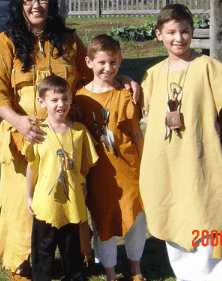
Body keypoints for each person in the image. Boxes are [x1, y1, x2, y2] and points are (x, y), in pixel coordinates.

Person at [0, 0, 140, 280]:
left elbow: (89, 76)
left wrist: (117, 79)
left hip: (66, 137)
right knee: (24, 200)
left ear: (50, 3)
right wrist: (18, 122)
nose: (35, 5)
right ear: (20, 6)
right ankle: (23, 261)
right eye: (28, 0)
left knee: (68, 194)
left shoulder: (68, 41)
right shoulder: (4, 43)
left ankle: (73, 258)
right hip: (23, 138)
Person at [140, 4, 222, 281]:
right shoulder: (152, 74)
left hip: (202, 161)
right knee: (174, 220)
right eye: (171, 32)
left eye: (184, 31)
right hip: (165, 165)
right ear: (158, 35)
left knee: (209, 218)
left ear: (193, 32)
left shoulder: (209, 67)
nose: (179, 38)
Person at [74, 34, 147, 281]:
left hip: (128, 169)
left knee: (135, 218)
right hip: (99, 173)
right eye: (102, 62)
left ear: (120, 61)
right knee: (103, 223)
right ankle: (110, 274)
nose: (108, 68)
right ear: (89, 62)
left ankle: (135, 270)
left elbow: (136, 133)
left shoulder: (125, 93)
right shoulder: (79, 99)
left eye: (114, 63)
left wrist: (145, 165)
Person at [23, 75, 99, 281]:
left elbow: (84, 169)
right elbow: (32, 168)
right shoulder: (37, 133)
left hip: (72, 204)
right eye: (54, 100)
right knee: (42, 251)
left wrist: (82, 194)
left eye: (65, 99)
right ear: (42, 102)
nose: (61, 104)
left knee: (71, 251)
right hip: (46, 204)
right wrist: (29, 197)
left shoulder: (79, 132)